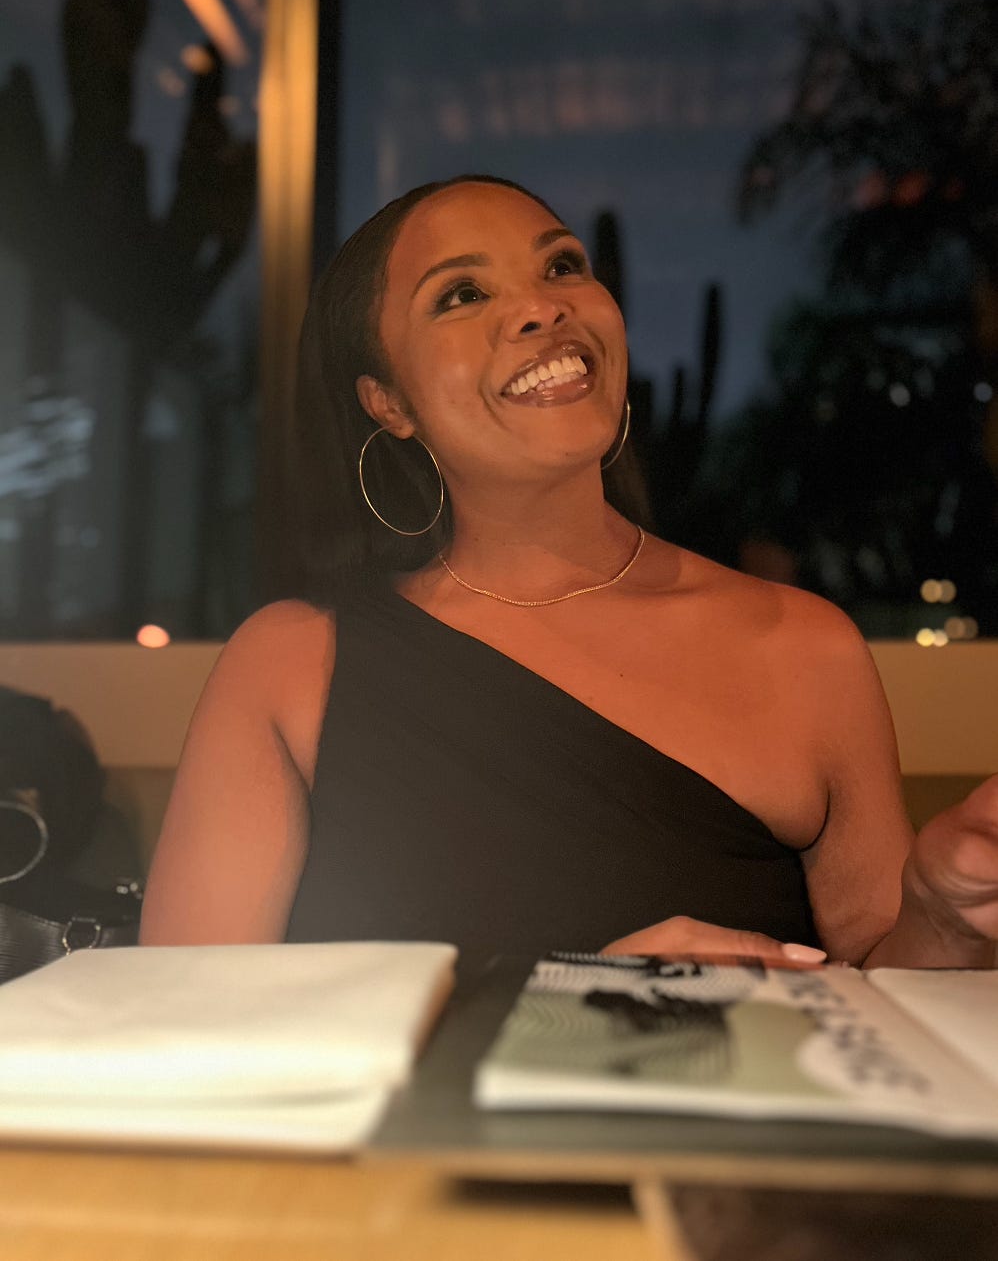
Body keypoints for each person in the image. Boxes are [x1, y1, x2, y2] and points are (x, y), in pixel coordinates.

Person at [139, 175, 998, 979]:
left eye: (561, 267)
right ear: (388, 403)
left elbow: (885, 1008)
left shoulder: (806, 647)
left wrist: (941, 919)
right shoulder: (292, 666)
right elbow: (181, 1029)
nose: (542, 306)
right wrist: (571, 1006)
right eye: (461, 294)